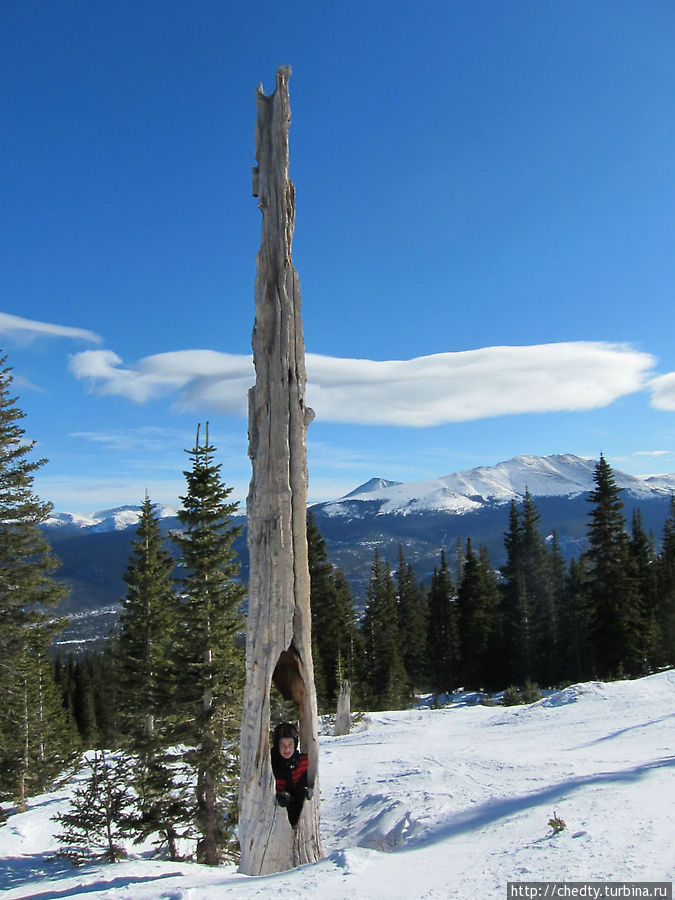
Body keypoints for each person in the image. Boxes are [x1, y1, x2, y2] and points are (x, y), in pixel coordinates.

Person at [270, 721, 313, 828]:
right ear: (277, 745)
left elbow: (311, 780)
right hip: (274, 822)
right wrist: (278, 795)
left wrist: (309, 790)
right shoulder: (269, 764)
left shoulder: (302, 762)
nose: (287, 749)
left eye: (290, 744)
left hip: (301, 822)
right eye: (282, 744)